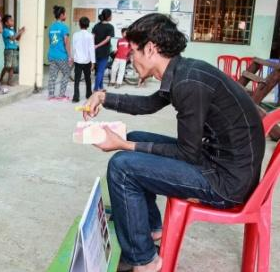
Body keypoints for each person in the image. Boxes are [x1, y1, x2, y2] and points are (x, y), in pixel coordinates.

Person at [83, 13, 265, 272]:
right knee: (134, 138)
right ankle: (152, 229)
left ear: (150, 48)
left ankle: (144, 261)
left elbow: (187, 154)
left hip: (227, 182)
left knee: (122, 166)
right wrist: (103, 96)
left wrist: (123, 146)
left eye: (133, 51)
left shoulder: (188, 83)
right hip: (219, 161)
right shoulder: (183, 71)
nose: (130, 58)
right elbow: (147, 104)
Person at [47, 5, 72, 101]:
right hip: (61, 55)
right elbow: (66, 42)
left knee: (52, 76)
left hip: (52, 55)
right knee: (66, 73)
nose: (65, 15)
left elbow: (50, 42)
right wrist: (69, 56)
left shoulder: (51, 27)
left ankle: (51, 96)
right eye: (65, 14)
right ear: (61, 15)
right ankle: (61, 95)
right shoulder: (64, 27)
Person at [72, 16, 95, 103]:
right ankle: (88, 94)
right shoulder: (90, 36)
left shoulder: (75, 35)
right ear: (88, 25)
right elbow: (91, 49)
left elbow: (74, 48)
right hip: (87, 61)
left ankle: (75, 97)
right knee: (87, 78)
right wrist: (93, 62)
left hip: (78, 60)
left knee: (77, 79)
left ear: (79, 24)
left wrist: (73, 58)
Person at [92, 9, 114, 92]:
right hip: (104, 52)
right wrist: (98, 45)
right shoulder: (110, 27)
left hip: (95, 51)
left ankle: (101, 87)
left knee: (98, 71)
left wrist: (95, 46)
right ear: (108, 16)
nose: (112, 17)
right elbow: (107, 39)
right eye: (111, 15)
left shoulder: (97, 25)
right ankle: (95, 89)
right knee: (100, 71)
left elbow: (92, 37)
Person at [0, 14, 25, 86]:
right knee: (7, 66)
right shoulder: (5, 30)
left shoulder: (12, 30)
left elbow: (17, 39)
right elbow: (12, 38)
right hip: (8, 50)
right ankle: (1, 78)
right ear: (6, 23)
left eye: (13, 20)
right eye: (11, 21)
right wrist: (19, 32)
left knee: (12, 67)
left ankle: (9, 81)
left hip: (14, 50)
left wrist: (20, 33)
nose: (12, 21)